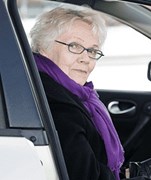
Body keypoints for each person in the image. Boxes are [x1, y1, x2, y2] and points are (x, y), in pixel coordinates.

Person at [29, 6, 124, 180]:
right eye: (74, 46)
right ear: (44, 47)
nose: (85, 58)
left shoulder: (50, 88)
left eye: (92, 50)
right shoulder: (58, 106)